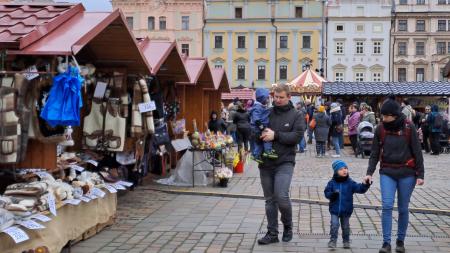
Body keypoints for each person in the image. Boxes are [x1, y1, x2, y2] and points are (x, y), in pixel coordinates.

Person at [364, 97, 424, 253]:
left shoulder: (408, 127)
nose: (383, 119)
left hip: (407, 173)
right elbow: (375, 153)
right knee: (387, 206)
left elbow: (417, 152)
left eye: (386, 116)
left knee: (403, 208)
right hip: (387, 172)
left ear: (395, 115)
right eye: (382, 116)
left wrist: (420, 174)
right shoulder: (380, 129)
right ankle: (386, 243)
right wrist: (369, 173)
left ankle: (400, 241)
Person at [257, 84, 306, 245]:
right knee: (270, 200)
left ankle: (288, 225)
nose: (277, 100)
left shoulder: (296, 115)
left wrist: (275, 135)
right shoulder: (267, 112)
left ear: (288, 97)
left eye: (281, 97)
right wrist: (258, 132)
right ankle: (272, 233)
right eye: (275, 97)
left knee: (281, 196)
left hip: (285, 161)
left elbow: (297, 136)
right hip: (266, 162)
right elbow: (254, 128)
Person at [325, 160, 370, 249]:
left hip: (346, 210)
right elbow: (326, 193)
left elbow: (360, 189)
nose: (344, 170)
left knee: (345, 226)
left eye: (345, 168)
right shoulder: (332, 183)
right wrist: (332, 195)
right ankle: (333, 240)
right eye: (341, 169)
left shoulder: (350, 182)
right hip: (334, 210)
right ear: (336, 171)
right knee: (334, 225)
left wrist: (366, 184)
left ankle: (346, 241)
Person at [250, 88, 277, 163]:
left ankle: (256, 155)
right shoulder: (257, 107)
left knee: (259, 142)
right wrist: (262, 127)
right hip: (259, 128)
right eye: (267, 98)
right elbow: (256, 119)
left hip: (258, 128)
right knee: (266, 138)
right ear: (262, 98)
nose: (268, 100)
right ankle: (268, 151)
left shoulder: (261, 106)